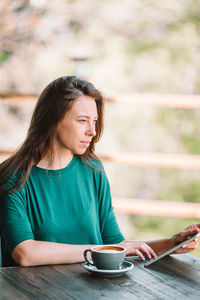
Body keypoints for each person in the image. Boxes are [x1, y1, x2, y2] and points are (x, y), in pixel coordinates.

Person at [0, 76, 199, 267]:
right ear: (53, 120)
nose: (92, 131)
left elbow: (116, 244)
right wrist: (99, 250)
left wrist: (171, 244)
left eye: (94, 121)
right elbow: (25, 253)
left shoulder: (92, 169)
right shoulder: (13, 176)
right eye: (82, 120)